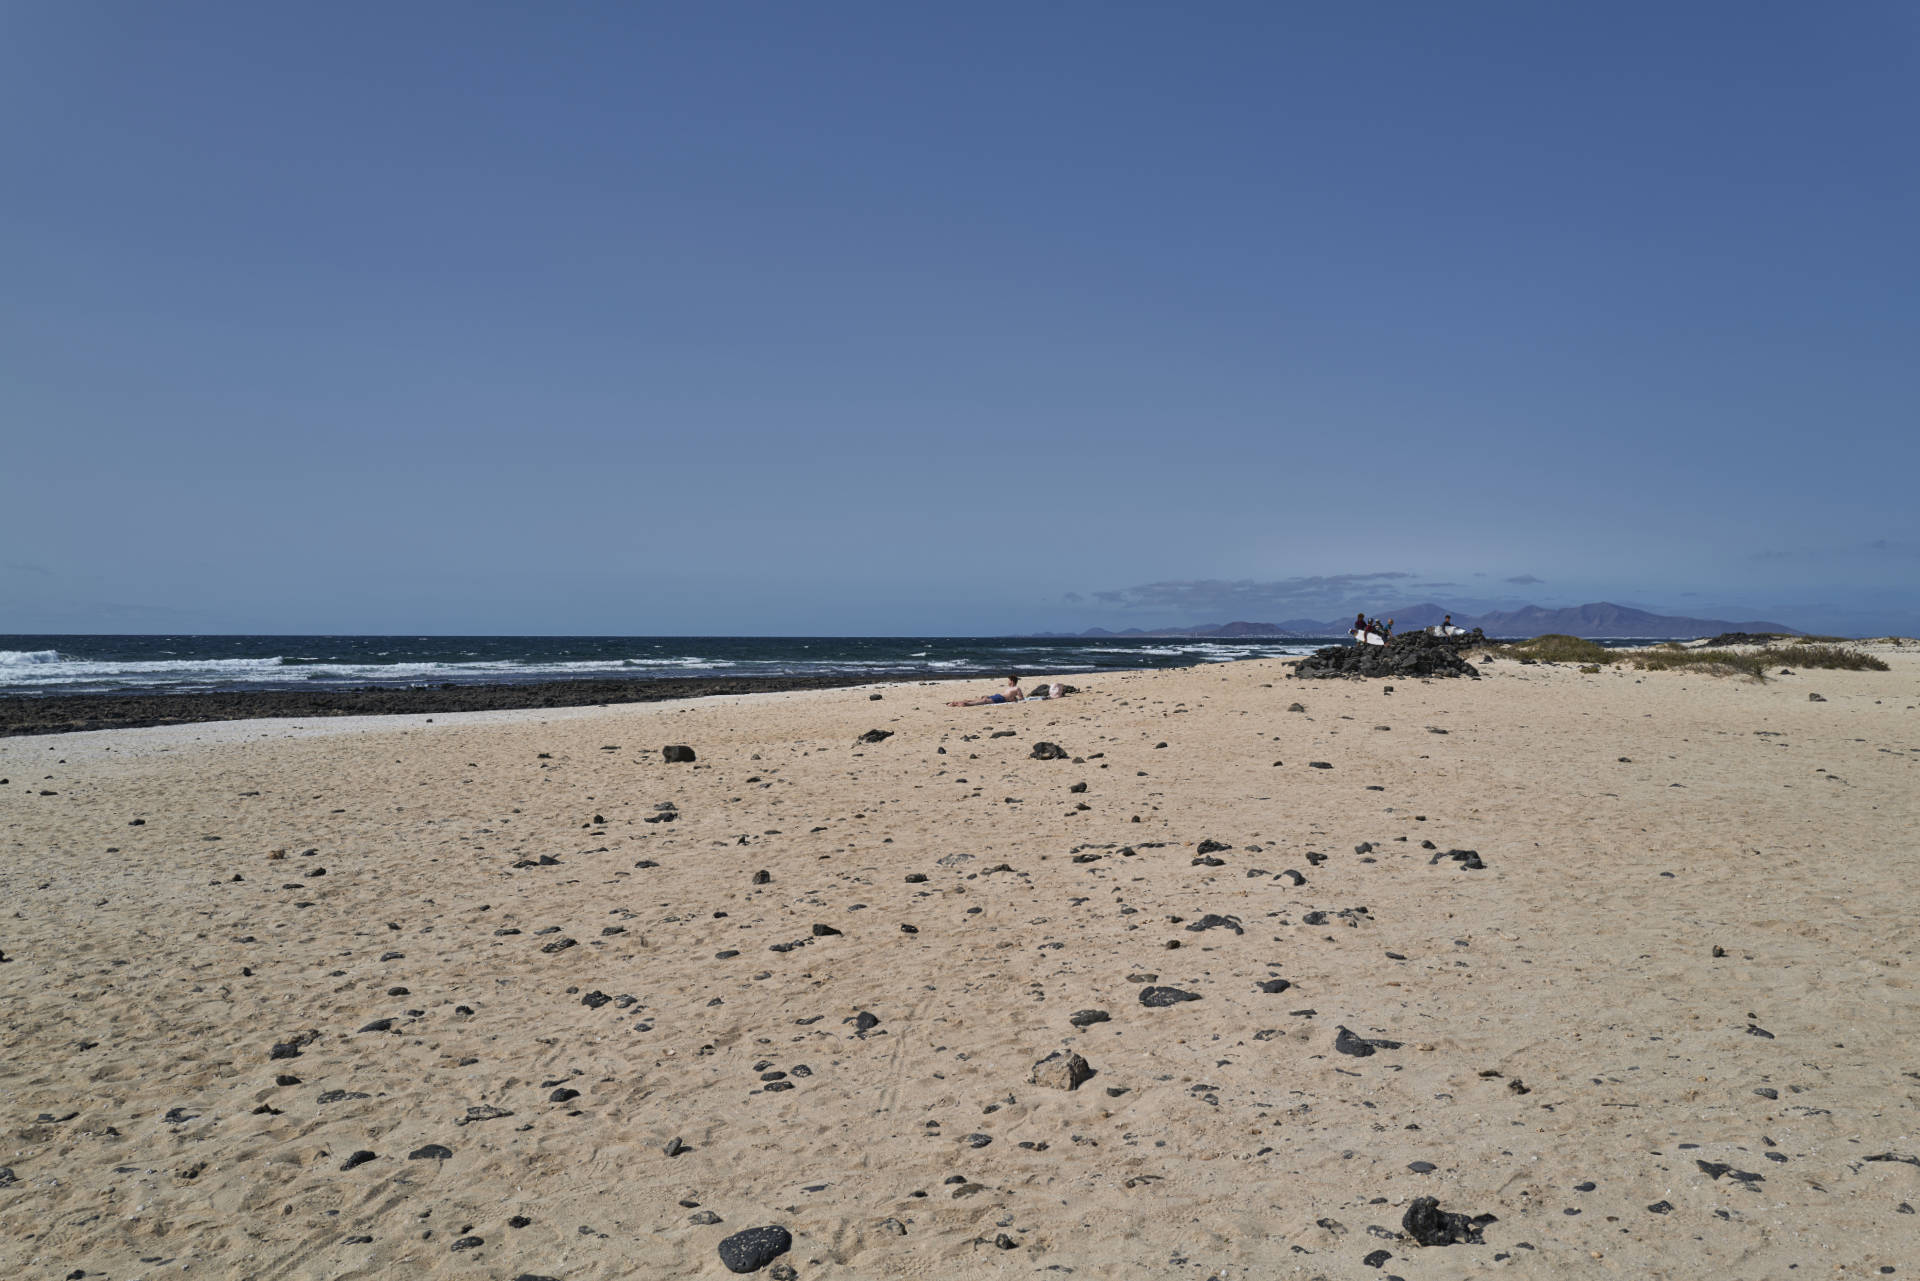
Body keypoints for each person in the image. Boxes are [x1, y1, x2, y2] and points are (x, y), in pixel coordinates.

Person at [948, 676, 1023, 707]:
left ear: (1012, 681)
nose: (1008, 682)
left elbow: (1021, 698)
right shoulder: (1009, 688)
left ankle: (966, 704)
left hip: (1001, 699)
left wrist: (1015, 699)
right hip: (998, 696)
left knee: (984, 700)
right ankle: (958, 702)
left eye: (1009, 681)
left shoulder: (1017, 688)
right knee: (981, 698)